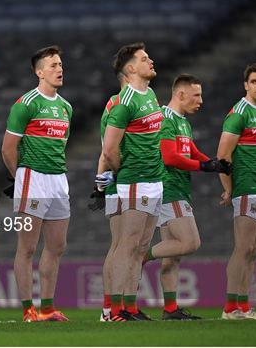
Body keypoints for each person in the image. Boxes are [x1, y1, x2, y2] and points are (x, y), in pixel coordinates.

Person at [143, 74, 231, 320]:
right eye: (196, 95)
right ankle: (141, 256)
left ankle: (170, 309)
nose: (200, 100)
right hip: (169, 189)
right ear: (180, 94)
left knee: (173, 257)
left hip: (180, 189)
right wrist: (204, 168)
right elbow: (170, 157)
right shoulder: (165, 119)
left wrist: (213, 164)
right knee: (191, 242)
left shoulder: (182, 122)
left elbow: (190, 150)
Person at [2, 45, 72, 322]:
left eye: (60, 65)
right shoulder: (26, 103)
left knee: (57, 246)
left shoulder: (66, 107)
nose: (59, 69)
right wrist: (19, 177)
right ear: (39, 71)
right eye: (53, 65)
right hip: (33, 178)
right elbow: (8, 148)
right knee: (27, 248)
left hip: (59, 180)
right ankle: (27, 309)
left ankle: (47, 308)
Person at [102, 42, 162, 321]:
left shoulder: (150, 94)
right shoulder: (125, 102)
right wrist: (123, 170)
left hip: (154, 179)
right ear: (130, 68)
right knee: (127, 245)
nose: (150, 61)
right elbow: (110, 149)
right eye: (143, 58)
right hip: (135, 180)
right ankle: (115, 310)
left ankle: (129, 305)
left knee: (139, 248)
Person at [217, 63, 256, 320]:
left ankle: (244, 306)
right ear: (246, 85)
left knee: (254, 249)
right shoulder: (239, 113)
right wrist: (228, 189)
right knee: (243, 248)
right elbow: (222, 155)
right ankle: (230, 308)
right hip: (247, 188)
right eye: (254, 81)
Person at [88, 70, 128, 322]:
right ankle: (109, 309)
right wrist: (101, 183)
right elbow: (108, 150)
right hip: (121, 183)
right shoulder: (118, 103)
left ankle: (119, 306)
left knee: (127, 246)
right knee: (120, 245)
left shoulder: (134, 101)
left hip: (126, 182)